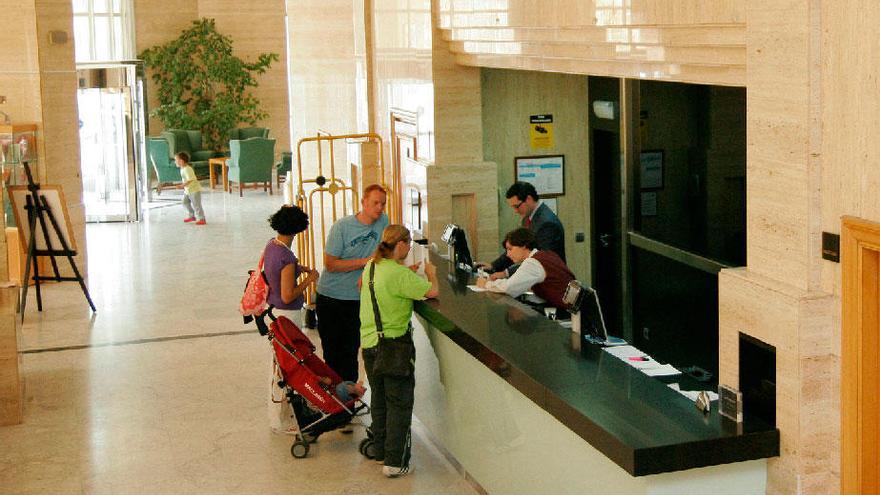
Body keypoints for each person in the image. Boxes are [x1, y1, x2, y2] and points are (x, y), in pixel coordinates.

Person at [360, 225, 438, 478]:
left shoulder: (372, 266)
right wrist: (430, 273)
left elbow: (384, 281)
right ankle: (396, 462)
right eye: (409, 245)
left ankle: (381, 451)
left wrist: (406, 273)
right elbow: (432, 291)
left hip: (370, 343)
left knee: (380, 401)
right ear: (402, 245)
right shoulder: (399, 275)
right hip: (394, 346)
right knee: (400, 404)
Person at [315, 184, 389, 383]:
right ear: (363, 202)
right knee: (333, 353)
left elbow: (383, 249)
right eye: (375, 203)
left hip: (357, 299)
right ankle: (335, 400)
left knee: (351, 351)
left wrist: (369, 272)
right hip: (332, 297)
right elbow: (330, 264)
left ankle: (347, 400)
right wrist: (366, 262)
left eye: (383, 204)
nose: (379, 208)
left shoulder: (383, 221)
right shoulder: (342, 227)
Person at [263, 205, 320, 434]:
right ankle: (283, 418)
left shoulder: (272, 245)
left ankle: (277, 415)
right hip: (288, 315)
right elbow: (288, 294)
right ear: (297, 230)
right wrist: (310, 279)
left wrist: (298, 268)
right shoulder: (286, 256)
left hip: (273, 311)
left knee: (278, 363)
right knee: (288, 366)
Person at [480, 181, 565, 278]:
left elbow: (539, 260)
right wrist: (494, 266)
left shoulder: (547, 223)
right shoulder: (528, 218)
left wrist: (506, 273)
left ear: (528, 199)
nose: (515, 211)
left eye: (517, 206)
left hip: (551, 280)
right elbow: (516, 248)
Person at [477, 227, 574, 309]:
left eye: (510, 249)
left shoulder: (532, 263)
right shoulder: (546, 254)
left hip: (567, 312)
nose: (508, 254)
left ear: (524, 246)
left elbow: (509, 288)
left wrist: (486, 284)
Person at [175, 151, 206, 225]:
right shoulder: (182, 168)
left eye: (176, 160)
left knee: (196, 205)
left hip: (194, 190)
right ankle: (191, 215)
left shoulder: (187, 169)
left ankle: (202, 219)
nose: (175, 162)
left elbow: (190, 180)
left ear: (181, 161)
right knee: (184, 202)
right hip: (188, 190)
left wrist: (182, 186)